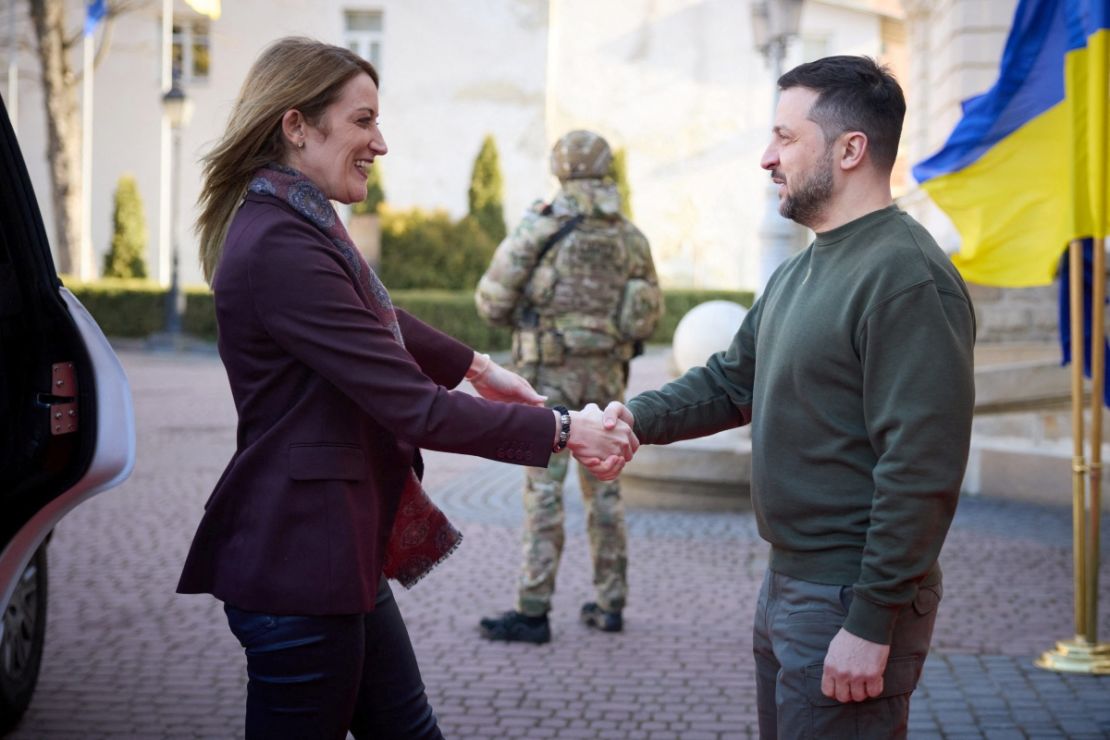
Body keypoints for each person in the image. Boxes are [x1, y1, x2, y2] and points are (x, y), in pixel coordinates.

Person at [176, 38, 637, 740]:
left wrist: (479, 369)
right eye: (362, 121)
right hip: (300, 566)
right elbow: (413, 409)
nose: (379, 142)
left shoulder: (298, 218)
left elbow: (375, 313)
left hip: (334, 554)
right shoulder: (279, 241)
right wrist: (566, 431)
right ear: (296, 125)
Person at [594, 56, 976, 738]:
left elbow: (920, 469)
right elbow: (731, 380)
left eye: (785, 138)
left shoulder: (906, 278)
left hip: (850, 596)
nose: (767, 159)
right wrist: (633, 419)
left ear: (851, 149)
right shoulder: (802, 268)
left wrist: (871, 620)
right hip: (790, 586)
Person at [474, 130, 663, 644]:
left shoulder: (542, 226)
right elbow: (649, 313)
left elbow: (491, 302)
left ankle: (533, 611)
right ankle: (611, 603)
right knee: (606, 485)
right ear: (605, 169)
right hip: (606, 375)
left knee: (543, 490)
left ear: (559, 168)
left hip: (548, 376)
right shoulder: (629, 235)